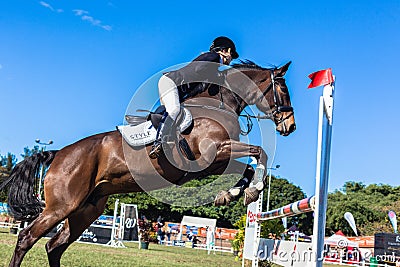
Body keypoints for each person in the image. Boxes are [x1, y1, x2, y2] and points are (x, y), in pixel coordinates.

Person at [148, 36, 239, 159]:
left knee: (177, 113)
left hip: (177, 89)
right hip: (171, 82)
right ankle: (158, 143)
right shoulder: (213, 57)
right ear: (225, 51)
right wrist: (215, 74)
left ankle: (155, 124)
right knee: (174, 110)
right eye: (232, 55)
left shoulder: (212, 62)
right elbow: (199, 68)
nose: (231, 59)